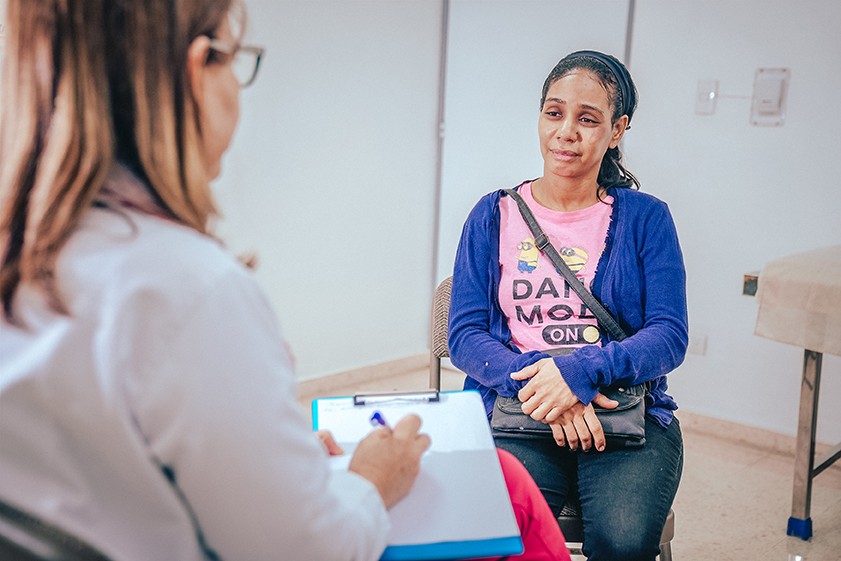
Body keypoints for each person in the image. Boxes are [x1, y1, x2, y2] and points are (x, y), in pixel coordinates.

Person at [0, 1, 569, 560]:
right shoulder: (192, 292)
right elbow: (312, 548)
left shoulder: (26, 258)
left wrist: (267, 459)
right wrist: (372, 480)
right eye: (236, 59)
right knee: (505, 487)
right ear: (197, 69)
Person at [448, 50, 687, 561]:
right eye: (554, 113)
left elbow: (669, 335)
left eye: (588, 119)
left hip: (621, 408)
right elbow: (465, 335)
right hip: (519, 403)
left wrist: (579, 373)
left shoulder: (647, 218)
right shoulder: (492, 214)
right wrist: (546, 382)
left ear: (617, 129)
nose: (566, 132)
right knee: (495, 535)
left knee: (622, 541)